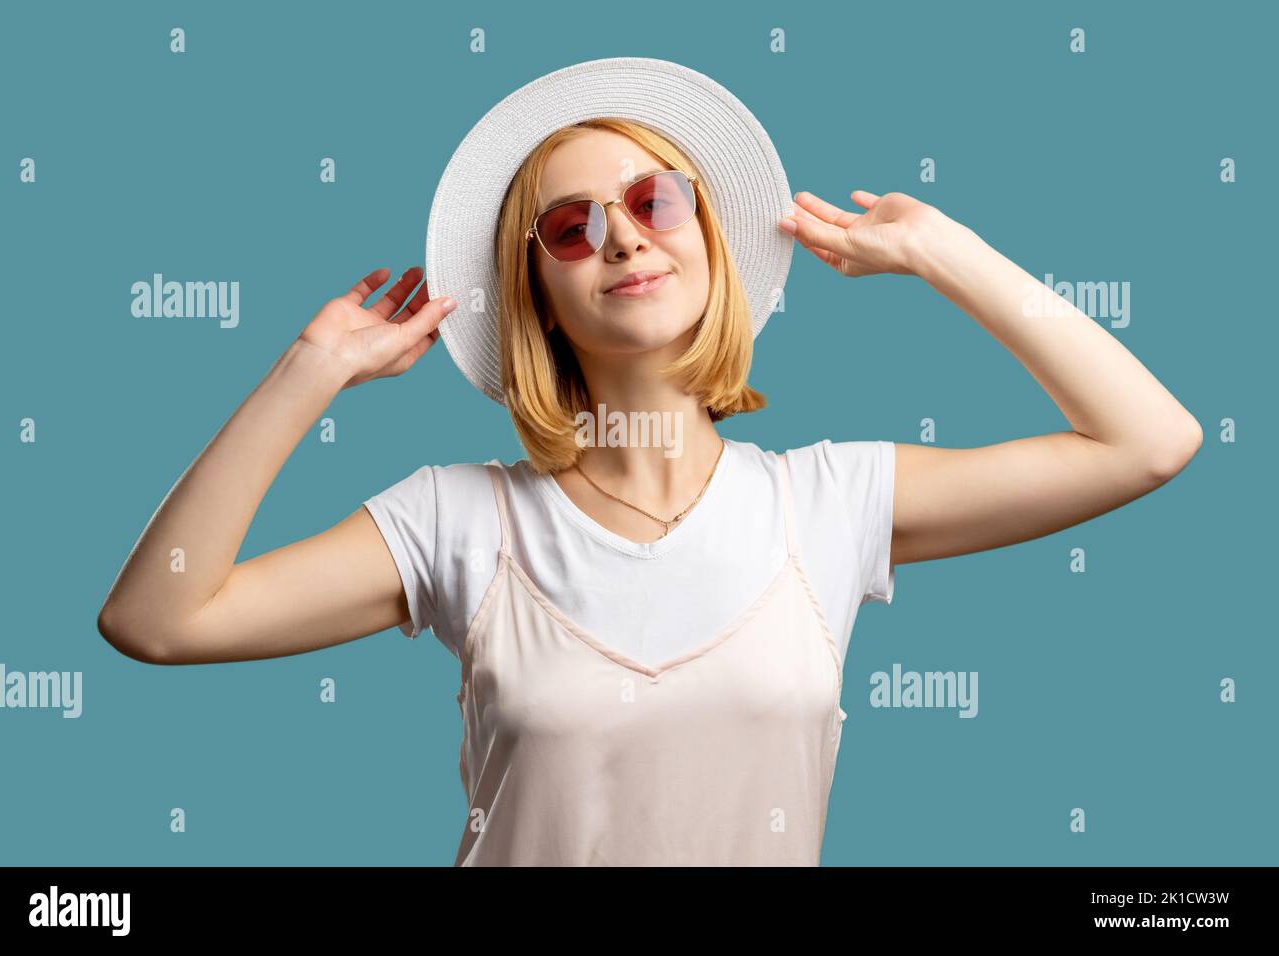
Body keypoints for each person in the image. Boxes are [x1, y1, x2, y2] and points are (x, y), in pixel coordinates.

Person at [96, 59, 1201, 865]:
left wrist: (935, 251)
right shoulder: (454, 521)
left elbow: (1147, 441)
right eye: (569, 228)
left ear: (708, 242)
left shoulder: (830, 501)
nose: (620, 237)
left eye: (653, 201)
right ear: (537, 294)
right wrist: (308, 371)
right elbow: (157, 620)